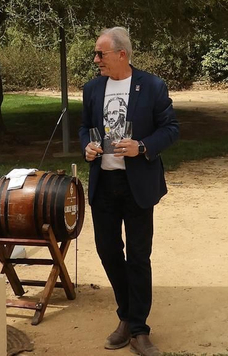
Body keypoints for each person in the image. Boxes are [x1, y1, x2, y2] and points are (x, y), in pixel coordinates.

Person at [80, 27, 181, 356]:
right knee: (108, 251)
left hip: (138, 185)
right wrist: (88, 146)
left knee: (138, 257)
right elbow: (84, 127)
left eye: (101, 54)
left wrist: (142, 147)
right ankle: (126, 314)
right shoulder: (93, 89)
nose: (96, 60)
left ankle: (137, 328)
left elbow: (171, 129)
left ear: (121, 54)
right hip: (104, 184)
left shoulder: (152, 86)